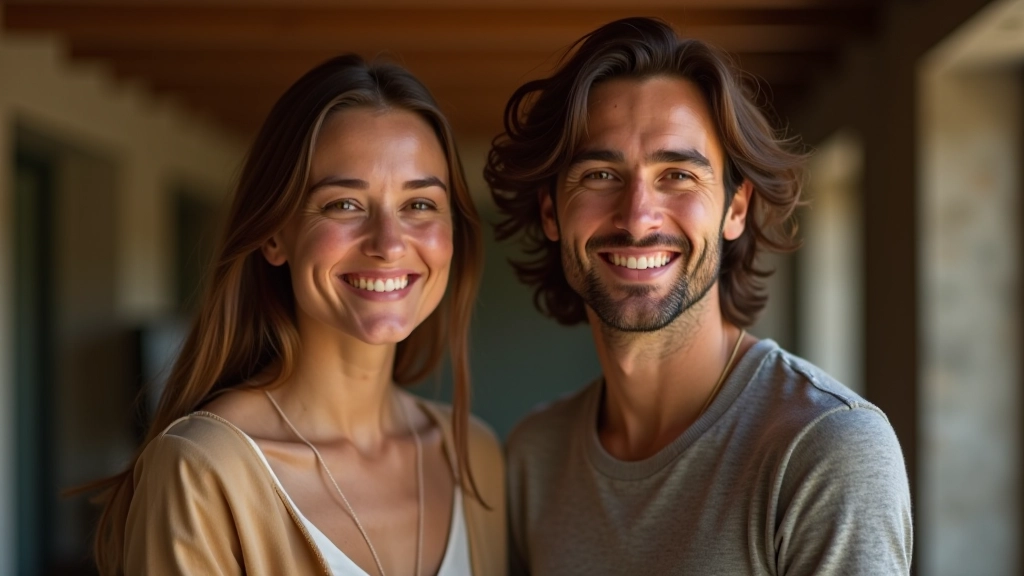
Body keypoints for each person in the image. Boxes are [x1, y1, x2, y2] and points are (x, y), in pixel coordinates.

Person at [486, 17, 912, 575]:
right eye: (599, 175)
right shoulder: (534, 457)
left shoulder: (827, 448)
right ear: (550, 212)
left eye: (678, 176)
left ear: (736, 209)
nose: (637, 217)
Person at [91, 55, 506, 575]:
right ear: (274, 234)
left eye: (420, 204)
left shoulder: (477, 457)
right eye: (344, 205)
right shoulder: (201, 468)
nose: (388, 243)